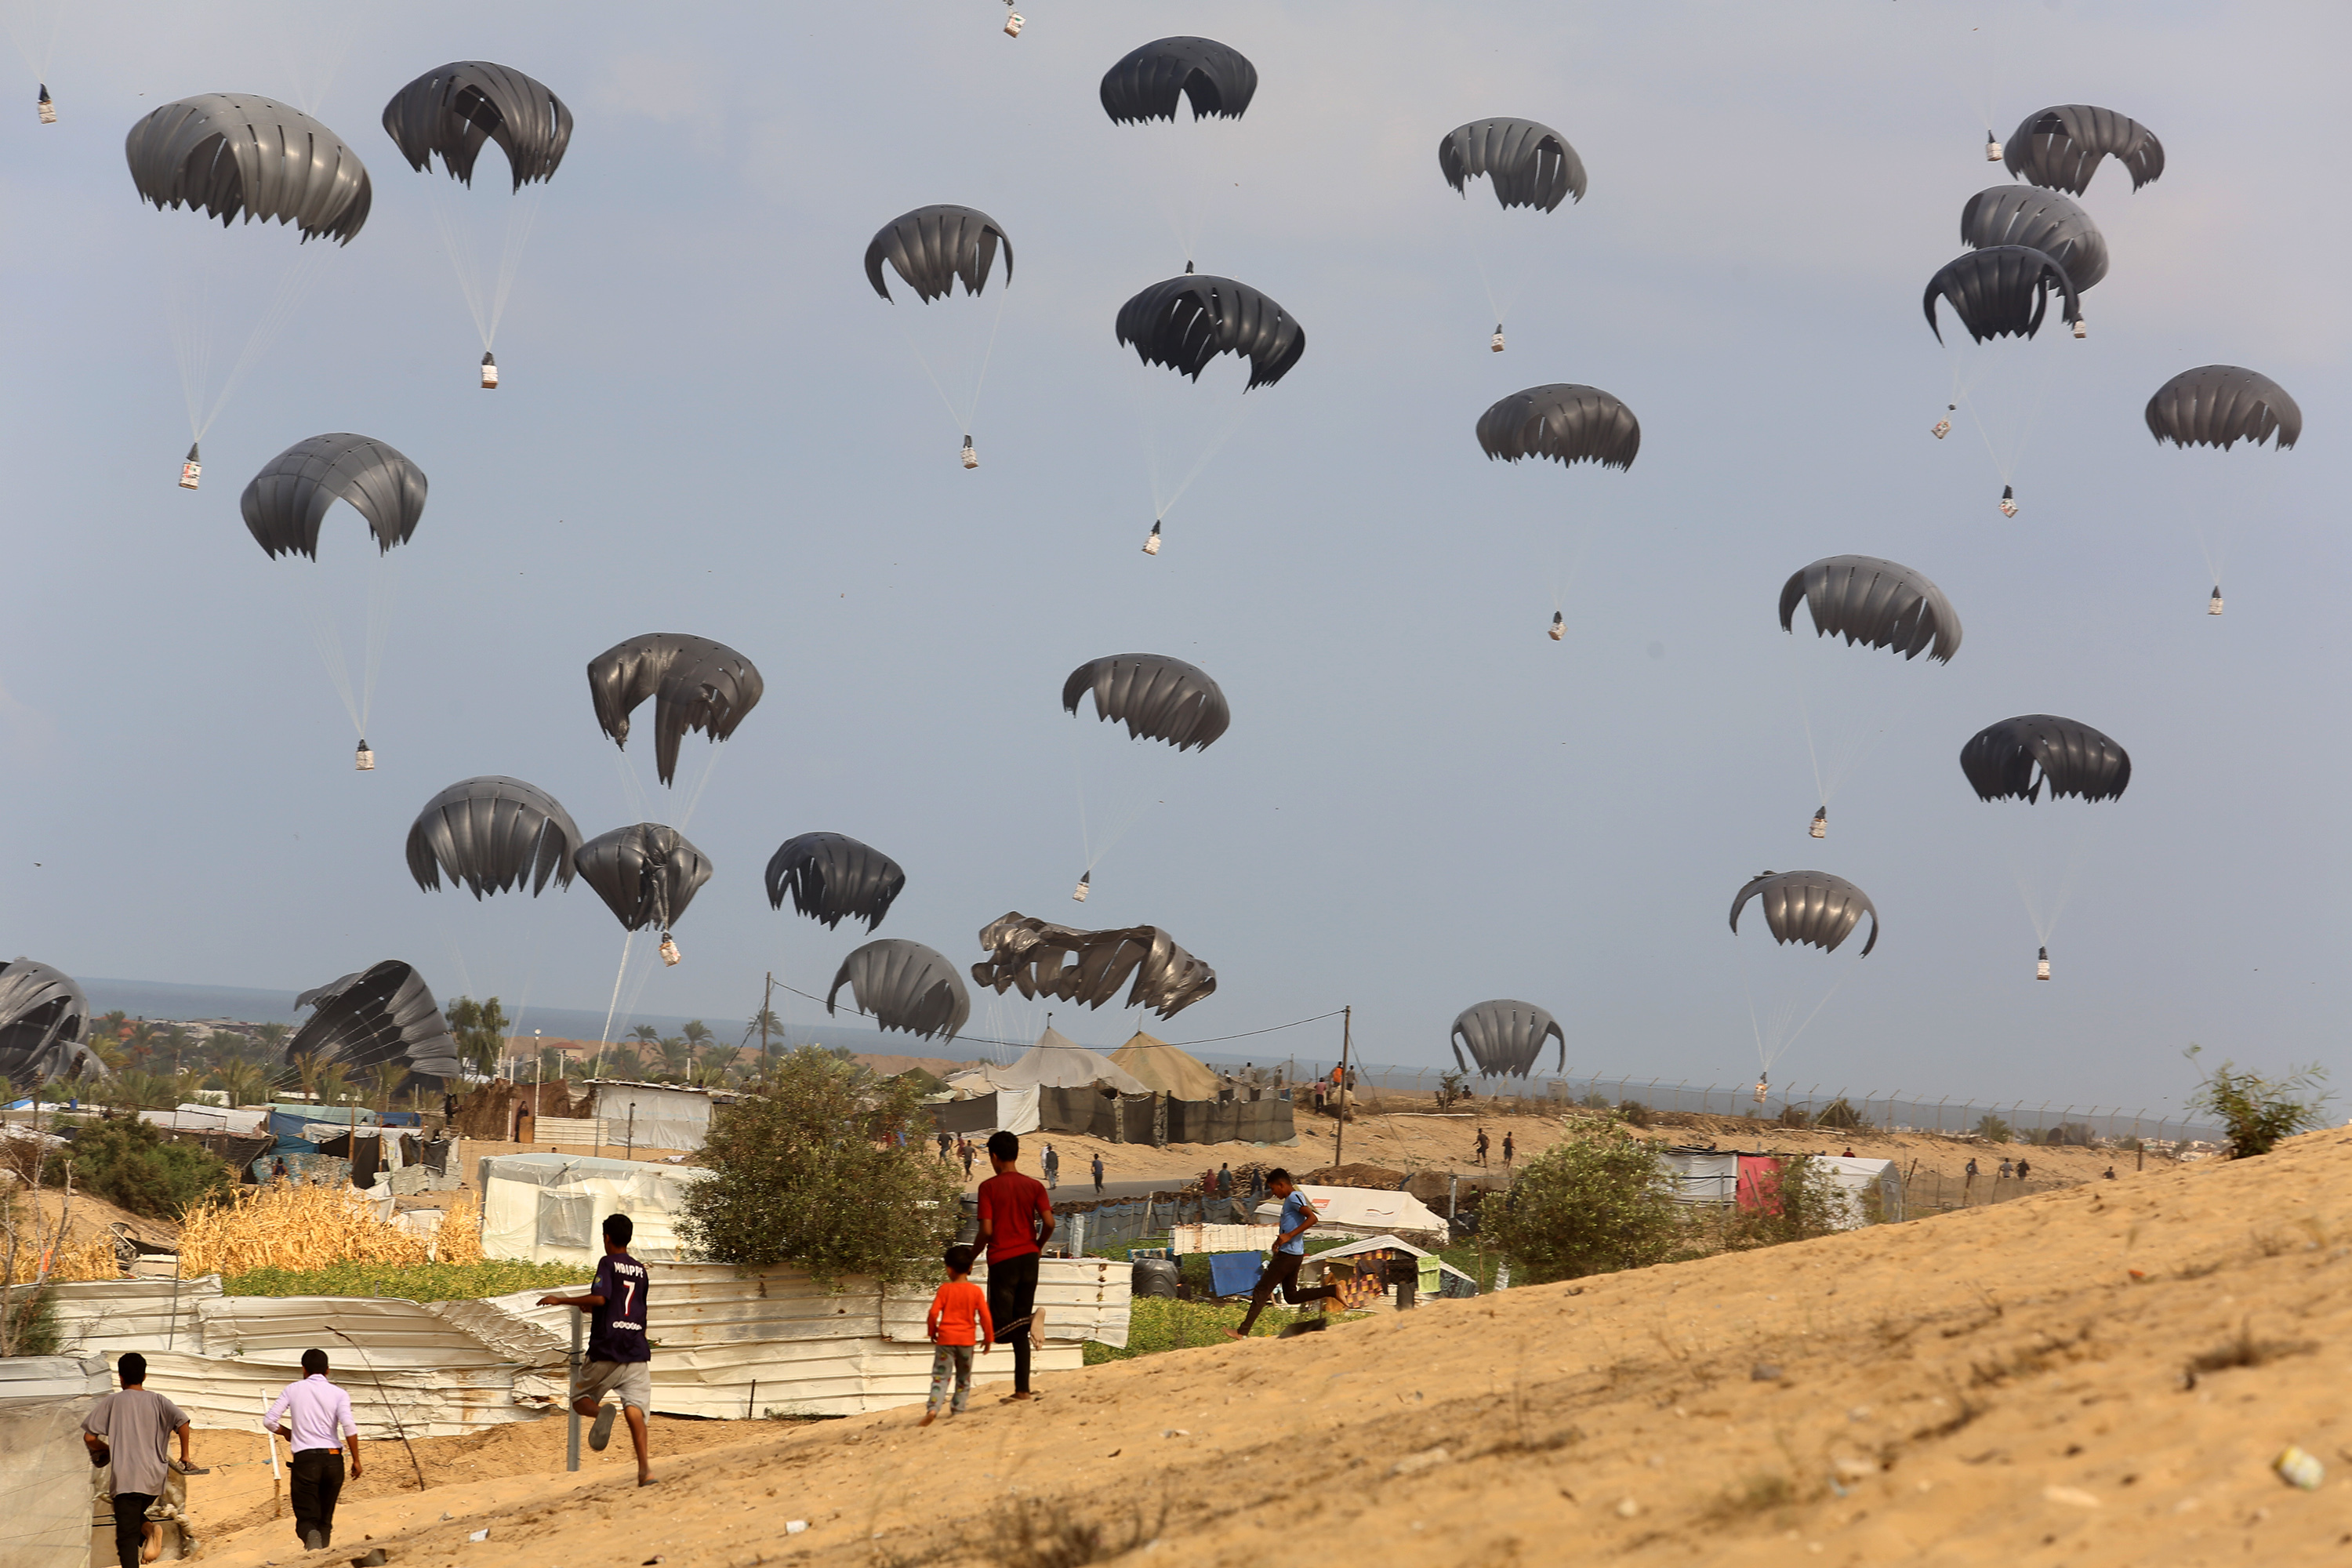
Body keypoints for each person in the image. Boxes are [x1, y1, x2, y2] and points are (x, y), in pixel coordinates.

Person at [538, 1213, 654, 1486]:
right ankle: (645, 1471)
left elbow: (602, 1298)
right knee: (635, 1407)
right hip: (636, 1348)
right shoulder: (641, 1271)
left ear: (607, 1238)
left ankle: (601, 1413)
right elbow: (633, 1308)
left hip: (606, 1348)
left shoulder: (607, 1262)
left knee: (580, 1399)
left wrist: (561, 1300)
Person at [82, 1352, 193, 1568]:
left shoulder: (113, 1402)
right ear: (145, 1376)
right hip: (154, 1479)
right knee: (130, 1516)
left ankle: (152, 1531)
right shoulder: (159, 1400)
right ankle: (150, 1529)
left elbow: (89, 1437)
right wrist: (185, 1456)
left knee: (126, 1537)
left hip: (127, 1478)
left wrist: (106, 1449)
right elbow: (183, 1423)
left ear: (121, 1378)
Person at [976, 1131, 1054, 1401]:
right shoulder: (1035, 1186)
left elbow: (986, 1231)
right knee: (1019, 1329)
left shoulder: (988, 1187)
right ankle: (1022, 1391)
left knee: (998, 1331)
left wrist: (973, 1253)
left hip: (1003, 1261)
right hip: (1029, 1259)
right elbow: (1051, 1223)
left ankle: (1034, 1317)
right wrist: (1038, 1246)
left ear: (994, 1157)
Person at [264, 1348, 360, 1550]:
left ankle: (311, 1537)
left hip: (306, 1460)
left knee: (307, 1517)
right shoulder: (339, 1393)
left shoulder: (293, 1389)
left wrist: (287, 1432)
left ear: (304, 1369)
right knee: (326, 1517)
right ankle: (321, 1555)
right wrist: (357, 1461)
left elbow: (269, 1421)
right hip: (334, 1459)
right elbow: (349, 1426)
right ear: (327, 1370)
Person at [1225, 1171, 1338, 1338]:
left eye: (1273, 1188)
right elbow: (1291, 1225)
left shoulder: (1293, 1198)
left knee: (1261, 1290)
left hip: (1288, 1256)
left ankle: (1242, 1332)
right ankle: (1332, 1290)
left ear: (1282, 1185)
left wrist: (1289, 1236)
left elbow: (1312, 1219)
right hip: (1293, 1253)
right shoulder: (1293, 1199)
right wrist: (1280, 1241)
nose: (1273, 1193)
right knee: (1291, 1296)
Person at [920, 1243, 994, 1426]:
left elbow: (933, 1313)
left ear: (948, 1269)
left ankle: (933, 1408)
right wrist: (988, 1338)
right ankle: (958, 1410)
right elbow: (985, 1315)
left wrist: (932, 1331)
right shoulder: (975, 1291)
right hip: (966, 1342)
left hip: (946, 1340)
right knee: (963, 1377)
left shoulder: (945, 1289)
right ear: (970, 1267)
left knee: (941, 1377)